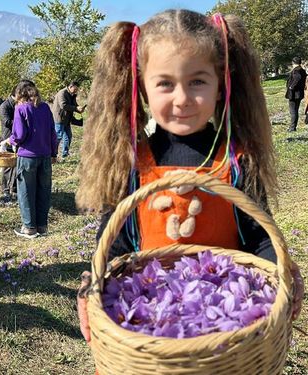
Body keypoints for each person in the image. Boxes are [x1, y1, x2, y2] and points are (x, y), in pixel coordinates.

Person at [74, 9, 305, 345]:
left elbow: (259, 238)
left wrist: (279, 269)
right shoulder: (132, 164)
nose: (182, 99)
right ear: (141, 88)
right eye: (165, 83)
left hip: (225, 332)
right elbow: (115, 244)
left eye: (197, 81)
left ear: (221, 84)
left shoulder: (237, 160)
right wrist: (93, 283)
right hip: (151, 332)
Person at [9, 80, 58, 239]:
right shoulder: (45, 108)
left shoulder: (21, 108)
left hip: (27, 156)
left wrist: (11, 141)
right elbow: (52, 132)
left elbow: (20, 134)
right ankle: (42, 226)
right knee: (44, 190)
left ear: (19, 94)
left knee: (26, 192)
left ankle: (29, 227)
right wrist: (54, 153)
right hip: (45, 155)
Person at [51, 81, 84, 159]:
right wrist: (75, 108)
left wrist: (79, 108)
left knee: (68, 137)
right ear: (70, 86)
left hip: (67, 119)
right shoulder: (62, 93)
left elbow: (74, 104)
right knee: (58, 136)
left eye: (77, 90)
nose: (76, 91)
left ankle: (65, 155)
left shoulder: (72, 94)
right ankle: (53, 155)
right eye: (75, 89)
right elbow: (63, 105)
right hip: (59, 118)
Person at [0, 88, 18, 201]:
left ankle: (14, 189)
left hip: (18, 139)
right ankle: (5, 190)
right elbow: (6, 121)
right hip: (8, 138)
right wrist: (20, 121)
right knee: (7, 167)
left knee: (16, 165)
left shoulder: (18, 105)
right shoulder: (5, 106)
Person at [286, 56, 307, 132]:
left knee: (293, 111)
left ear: (293, 62)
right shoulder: (302, 70)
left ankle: (292, 128)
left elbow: (297, 78)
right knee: (295, 110)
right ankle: (293, 126)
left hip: (294, 94)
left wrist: (291, 87)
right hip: (299, 93)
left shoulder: (296, 70)